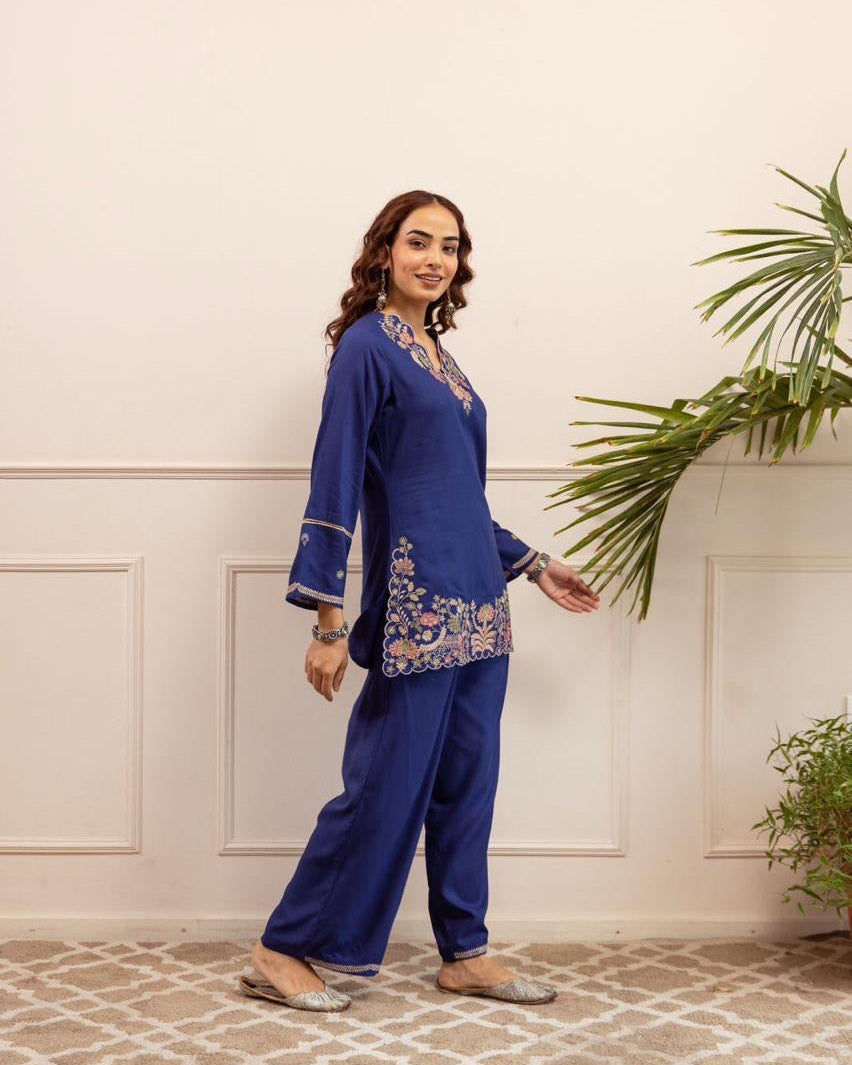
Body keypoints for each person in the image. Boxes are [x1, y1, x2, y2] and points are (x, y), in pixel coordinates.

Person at [237, 191, 600, 1013]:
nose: (435, 257)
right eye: (419, 241)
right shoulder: (368, 347)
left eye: (450, 245)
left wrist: (534, 562)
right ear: (385, 251)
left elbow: (455, 496)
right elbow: (334, 480)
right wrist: (328, 618)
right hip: (417, 611)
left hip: (481, 606)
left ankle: (465, 951)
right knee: (383, 785)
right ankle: (282, 946)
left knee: (468, 785)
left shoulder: (438, 354)